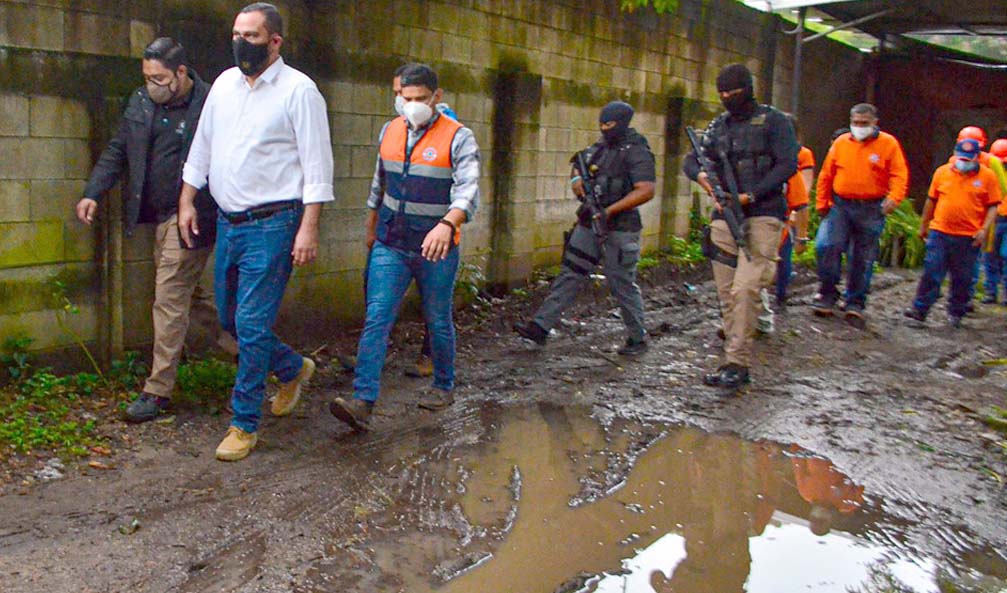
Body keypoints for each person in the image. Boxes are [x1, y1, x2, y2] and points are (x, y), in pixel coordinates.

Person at [177, 3, 333, 461]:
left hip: (276, 224)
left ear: (275, 42)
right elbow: (202, 146)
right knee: (230, 319)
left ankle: (244, 423)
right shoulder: (224, 85)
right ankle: (292, 368)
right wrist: (187, 198)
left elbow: (317, 166)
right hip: (230, 221)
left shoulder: (300, 92)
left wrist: (309, 228)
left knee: (250, 322)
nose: (241, 42)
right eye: (237, 34)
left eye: (251, 35)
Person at [77, 37, 236, 423]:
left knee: (168, 298)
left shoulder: (212, 103)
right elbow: (118, 148)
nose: (152, 85)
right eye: (147, 77)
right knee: (186, 299)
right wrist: (94, 192)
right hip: (157, 217)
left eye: (159, 78)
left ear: (181, 73)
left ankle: (157, 391)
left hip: (193, 217)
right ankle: (261, 353)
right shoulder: (142, 101)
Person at [329, 63, 480, 431]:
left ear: (436, 97)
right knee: (377, 317)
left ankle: (443, 385)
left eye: (419, 99)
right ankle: (362, 401)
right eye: (404, 97)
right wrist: (371, 228)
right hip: (391, 242)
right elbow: (378, 185)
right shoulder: (390, 131)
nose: (411, 105)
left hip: (436, 248)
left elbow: (469, 189)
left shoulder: (459, 137)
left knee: (437, 318)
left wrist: (448, 224)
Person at [684, 64, 797, 389]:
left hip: (763, 214)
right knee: (726, 294)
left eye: (732, 92)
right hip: (725, 217)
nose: (726, 98)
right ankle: (732, 362)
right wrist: (702, 178)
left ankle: (737, 362)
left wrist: (751, 195)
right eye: (721, 93)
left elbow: (787, 164)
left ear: (747, 89)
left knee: (745, 289)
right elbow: (692, 160)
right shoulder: (718, 126)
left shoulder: (774, 122)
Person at [512, 101, 656, 355]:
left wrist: (609, 211)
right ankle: (540, 327)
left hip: (620, 228)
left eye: (610, 124)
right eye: (602, 124)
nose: (604, 128)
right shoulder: (599, 148)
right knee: (570, 273)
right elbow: (577, 165)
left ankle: (637, 337)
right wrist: (577, 181)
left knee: (621, 281)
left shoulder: (637, 150)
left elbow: (646, 190)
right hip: (589, 222)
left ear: (622, 123)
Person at [812, 103, 909, 327]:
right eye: (855, 123)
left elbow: (899, 174)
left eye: (864, 124)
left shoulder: (888, 144)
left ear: (875, 123)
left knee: (862, 257)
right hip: (841, 205)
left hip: (872, 208)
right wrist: (821, 202)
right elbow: (827, 174)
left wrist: (894, 198)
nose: (859, 127)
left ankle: (855, 301)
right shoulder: (841, 143)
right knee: (826, 246)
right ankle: (827, 293)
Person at [904, 138, 1001, 327]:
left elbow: (993, 206)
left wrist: (984, 229)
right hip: (940, 231)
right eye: (961, 158)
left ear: (976, 158)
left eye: (968, 159)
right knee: (932, 271)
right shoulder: (942, 173)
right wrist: (924, 225)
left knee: (962, 277)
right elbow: (931, 200)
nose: (963, 163)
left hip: (968, 236)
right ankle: (920, 310)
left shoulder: (987, 177)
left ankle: (956, 312)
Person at [988, 138, 1007, 303]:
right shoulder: (988, 175)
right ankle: (991, 292)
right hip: (994, 220)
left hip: (1003, 220)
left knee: (1005, 256)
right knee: (990, 256)